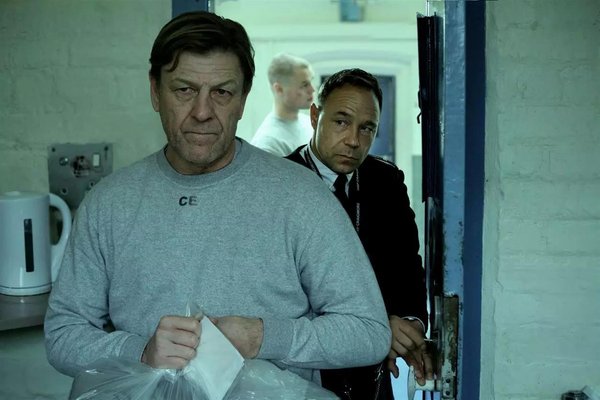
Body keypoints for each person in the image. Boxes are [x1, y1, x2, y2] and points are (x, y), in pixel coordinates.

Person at [44, 12, 392, 387]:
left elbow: (368, 332)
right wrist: (140, 351)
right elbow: (63, 335)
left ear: (242, 100)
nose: (202, 112)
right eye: (184, 90)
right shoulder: (110, 203)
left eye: (222, 93)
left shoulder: (302, 196)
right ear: (155, 92)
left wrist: (262, 338)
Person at [286, 68, 433, 399]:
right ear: (315, 116)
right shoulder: (279, 182)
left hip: (372, 376)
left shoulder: (386, 182)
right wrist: (376, 327)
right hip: (301, 374)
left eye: (367, 128)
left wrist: (408, 325)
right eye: (341, 121)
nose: (353, 140)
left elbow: (407, 268)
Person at [250, 53, 315, 156]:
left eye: (310, 82)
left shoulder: (310, 123)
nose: (312, 89)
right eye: (304, 85)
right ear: (279, 89)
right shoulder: (268, 144)